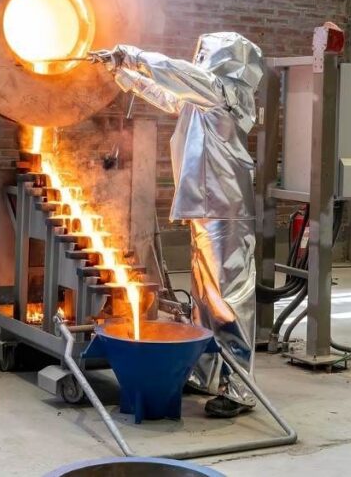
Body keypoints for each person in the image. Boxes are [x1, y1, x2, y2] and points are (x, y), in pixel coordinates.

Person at [91, 33, 263, 418]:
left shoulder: (225, 91)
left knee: (228, 301)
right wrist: (122, 74)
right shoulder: (203, 97)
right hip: (207, 208)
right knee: (205, 299)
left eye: (205, 53)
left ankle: (239, 390)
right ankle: (203, 374)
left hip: (225, 210)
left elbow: (175, 72)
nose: (198, 57)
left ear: (224, 60)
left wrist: (130, 54)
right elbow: (169, 96)